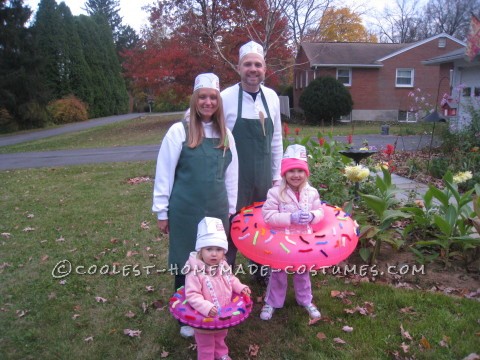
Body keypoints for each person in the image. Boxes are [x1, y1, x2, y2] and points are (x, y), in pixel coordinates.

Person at [152, 73, 238, 338]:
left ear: (219, 102)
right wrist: (161, 211)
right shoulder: (179, 131)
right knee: (185, 260)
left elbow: (232, 173)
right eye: (203, 97)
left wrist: (231, 208)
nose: (208, 102)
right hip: (186, 209)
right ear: (194, 99)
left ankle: (216, 302)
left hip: (216, 207)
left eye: (213, 97)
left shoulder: (226, 134)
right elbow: (164, 172)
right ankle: (185, 314)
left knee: (214, 260)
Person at [221, 40, 283, 274]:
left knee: (262, 226)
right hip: (233, 177)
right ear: (239, 68)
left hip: (264, 177)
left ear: (265, 69)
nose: (253, 69)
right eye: (248, 64)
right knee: (231, 225)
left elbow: (276, 138)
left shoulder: (272, 97)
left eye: (258, 64)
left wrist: (277, 176)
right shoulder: (225, 97)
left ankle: (261, 271)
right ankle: (226, 274)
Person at [260, 144, 324, 321]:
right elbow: (268, 216)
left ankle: (305, 300)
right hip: (282, 240)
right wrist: (290, 217)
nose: (296, 175)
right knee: (278, 272)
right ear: (284, 173)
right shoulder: (275, 193)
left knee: (302, 272)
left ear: (306, 173)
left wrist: (311, 216)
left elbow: (320, 212)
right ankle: (272, 301)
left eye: (300, 171)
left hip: (304, 240)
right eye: (291, 171)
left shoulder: (312, 193)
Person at [185, 217, 251, 360]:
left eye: (219, 249)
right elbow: (192, 294)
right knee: (206, 344)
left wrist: (240, 287)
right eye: (209, 249)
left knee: (221, 336)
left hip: (223, 312)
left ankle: (221, 354)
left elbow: (231, 279)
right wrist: (206, 307)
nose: (214, 253)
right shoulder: (195, 272)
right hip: (204, 317)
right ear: (201, 251)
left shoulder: (223, 265)